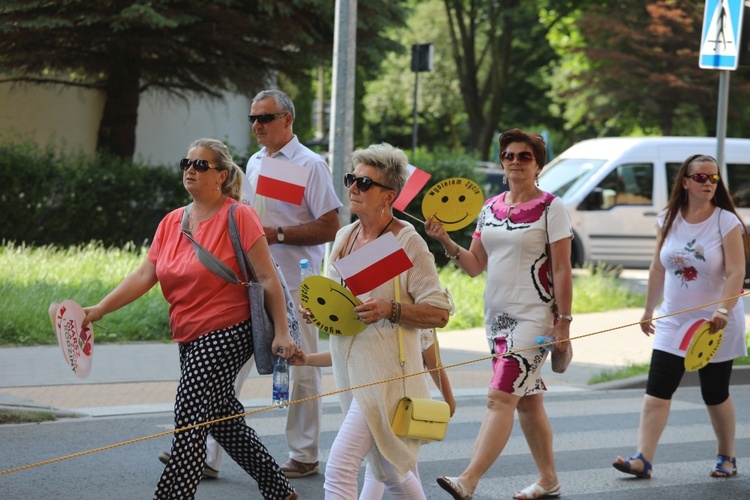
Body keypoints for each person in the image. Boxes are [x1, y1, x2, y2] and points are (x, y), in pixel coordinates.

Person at [82, 138, 298, 499]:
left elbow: (267, 278)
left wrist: (283, 332)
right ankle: (279, 489)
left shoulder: (239, 215)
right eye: (187, 163)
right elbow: (143, 275)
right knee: (221, 418)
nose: (190, 170)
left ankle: (172, 495)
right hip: (188, 333)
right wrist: (99, 309)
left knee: (189, 416)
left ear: (221, 176)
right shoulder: (172, 222)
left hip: (229, 328)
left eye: (201, 165)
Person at [195, 89, 342, 479]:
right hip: (251, 279)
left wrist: (275, 234)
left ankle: (305, 454)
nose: (257, 125)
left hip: (296, 282)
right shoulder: (256, 161)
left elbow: (330, 226)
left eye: (265, 118)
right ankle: (208, 455)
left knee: (300, 366)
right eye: (252, 119)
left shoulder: (311, 165)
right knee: (227, 364)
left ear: (287, 120)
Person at [292, 143, 452, 499]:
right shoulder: (344, 237)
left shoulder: (407, 242)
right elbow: (339, 305)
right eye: (352, 179)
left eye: (364, 183)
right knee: (393, 474)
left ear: (388, 196)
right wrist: (315, 311)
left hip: (386, 379)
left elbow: (439, 312)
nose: (352, 188)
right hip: (351, 374)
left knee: (339, 467)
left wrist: (390, 309)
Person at [426, 128, 573, 500]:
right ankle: (549, 480)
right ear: (501, 161)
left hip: (535, 317)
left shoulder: (550, 207)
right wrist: (444, 239)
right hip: (497, 320)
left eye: (525, 156)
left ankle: (468, 480)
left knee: (499, 397)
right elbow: (476, 265)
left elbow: (561, 270)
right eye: (509, 155)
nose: (515, 162)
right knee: (527, 400)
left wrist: (563, 323)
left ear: (538, 164)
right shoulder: (490, 207)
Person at [613, 154, 749, 480]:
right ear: (685, 181)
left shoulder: (726, 222)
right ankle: (642, 459)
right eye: (701, 177)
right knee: (658, 386)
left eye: (714, 179)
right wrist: (648, 309)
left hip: (716, 320)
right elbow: (658, 266)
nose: (708, 184)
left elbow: (736, 272)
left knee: (714, 392)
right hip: (674, 318)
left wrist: (722, 310)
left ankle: (727, 456)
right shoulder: (668, 218)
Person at [360, 328, 457, 498]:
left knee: (380, 468)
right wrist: (449, 401)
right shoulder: (415, 323)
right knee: (399, 467)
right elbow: (434, 364)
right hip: (403, 408)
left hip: (399, 407)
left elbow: (434, 364)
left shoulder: (417, 327)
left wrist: (449, 401)